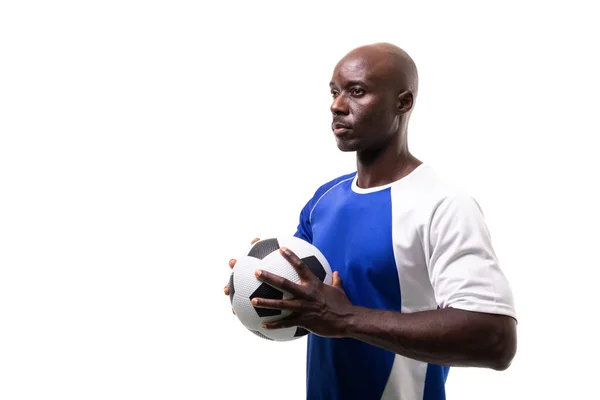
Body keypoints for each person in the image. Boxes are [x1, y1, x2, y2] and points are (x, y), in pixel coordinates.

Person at [224, 42, 517, 400]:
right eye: (334, 92)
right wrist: (258, 288)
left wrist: (347, 319)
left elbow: (495, 339)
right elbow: (313, 301)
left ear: (403, 102)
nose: (337, 105)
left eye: (357, 91)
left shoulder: (443, 204)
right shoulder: (323, 200)